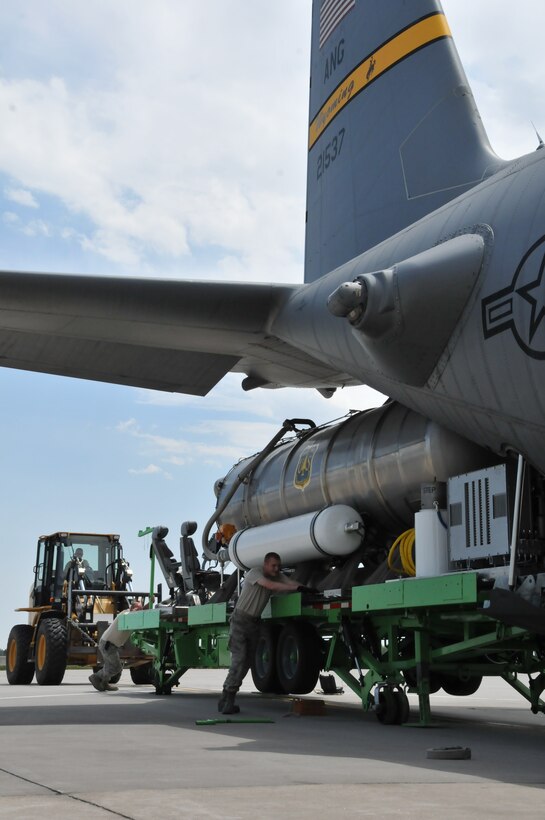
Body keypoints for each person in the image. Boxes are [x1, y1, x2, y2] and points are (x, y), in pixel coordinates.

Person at [219, 552, 318, 715]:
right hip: (240, 622)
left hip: (254, 624)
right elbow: (270, 586)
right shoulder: (254, 573)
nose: (276, 569)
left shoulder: (277, 575)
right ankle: (227, 698)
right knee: (239, 660)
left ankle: (227, 695)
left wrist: (304, 588)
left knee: (246, 663)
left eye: (278, 566)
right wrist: (296, 587)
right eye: (273, 566)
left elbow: (289, 582)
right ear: (265, 564)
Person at [89, 599, 143, 692]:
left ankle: (104, 683)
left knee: (110, 666)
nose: (139, 612)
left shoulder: (129, 616)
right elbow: (131, 614)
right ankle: (96, 677)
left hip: (109, 645)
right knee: (116, 667)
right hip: (108, 645)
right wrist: (140, 608)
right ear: (132, 608)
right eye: (137, 610)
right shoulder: (126, 615)